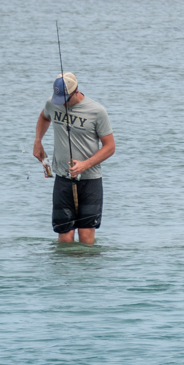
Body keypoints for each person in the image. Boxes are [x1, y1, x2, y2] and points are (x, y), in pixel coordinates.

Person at [32, 72, 115, 244]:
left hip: (90, 180)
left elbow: (110, 147)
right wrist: (38, 141)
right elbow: (43, 116)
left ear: (76, 91)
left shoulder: (97, 111)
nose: (61, 102)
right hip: (63, 179)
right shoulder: (52, 103)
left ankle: (86, 270)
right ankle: (64, 271)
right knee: (65, 236)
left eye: (64, 98)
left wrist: (85, 165)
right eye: (58, 98)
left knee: (85, 236)